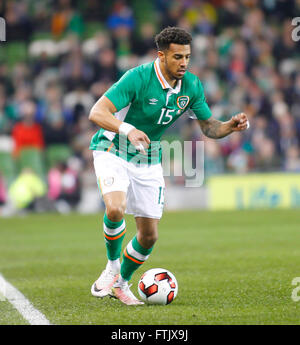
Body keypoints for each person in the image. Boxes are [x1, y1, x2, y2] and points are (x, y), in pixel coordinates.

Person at [88, 27, 249, 305]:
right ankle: (112, 268)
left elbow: (209, 127)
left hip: (148, 158)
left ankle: (122, 284)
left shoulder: (192, 86)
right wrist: (128, 129)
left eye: (187, 56)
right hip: (112, 148)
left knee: (149, 236)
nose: (184, 62)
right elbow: (97, 112)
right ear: (161, 56)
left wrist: (229, 127)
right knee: (115, 207)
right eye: (177, 57)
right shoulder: (137, 78)